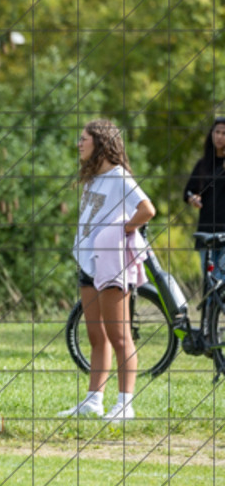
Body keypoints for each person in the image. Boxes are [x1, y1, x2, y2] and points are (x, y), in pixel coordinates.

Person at [59, 118, 155, 422]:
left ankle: (125, 404)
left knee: (119, 335)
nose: (79, 144)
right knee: (96, 335)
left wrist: (122, 230)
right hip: (89, 263)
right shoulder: (92, 178)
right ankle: (94, 401)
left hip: (111, 263)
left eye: (83, 138)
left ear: (100, 142)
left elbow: (147, 209)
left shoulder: (119, 177)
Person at [184, 118, 225, 281]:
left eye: (224, 133)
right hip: (207, 231)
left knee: (221, 280)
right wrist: (192, 198)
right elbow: (188, 192)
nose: (220, 136)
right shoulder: (203, 164)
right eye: (217, 132)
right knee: (209, 282)